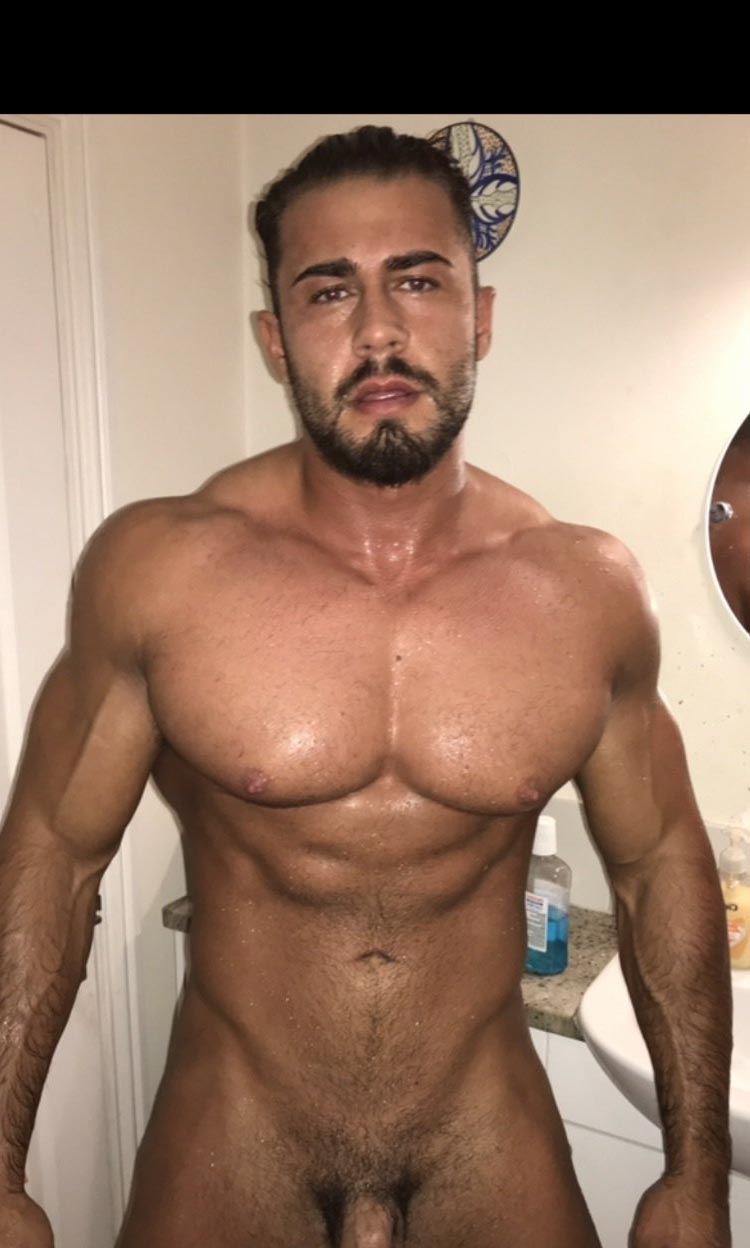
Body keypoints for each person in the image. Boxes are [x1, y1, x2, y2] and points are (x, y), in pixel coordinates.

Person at [0, 125, 732, 1248]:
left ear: (481, 317)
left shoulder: (586, 591)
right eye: (330, 290)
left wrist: (696, 1175)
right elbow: (51, 856)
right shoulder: (157, 571)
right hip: (233, 1138)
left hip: (484, 1135)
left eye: (420, 281)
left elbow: (659, 867)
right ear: (275, 339)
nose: (380, 331)